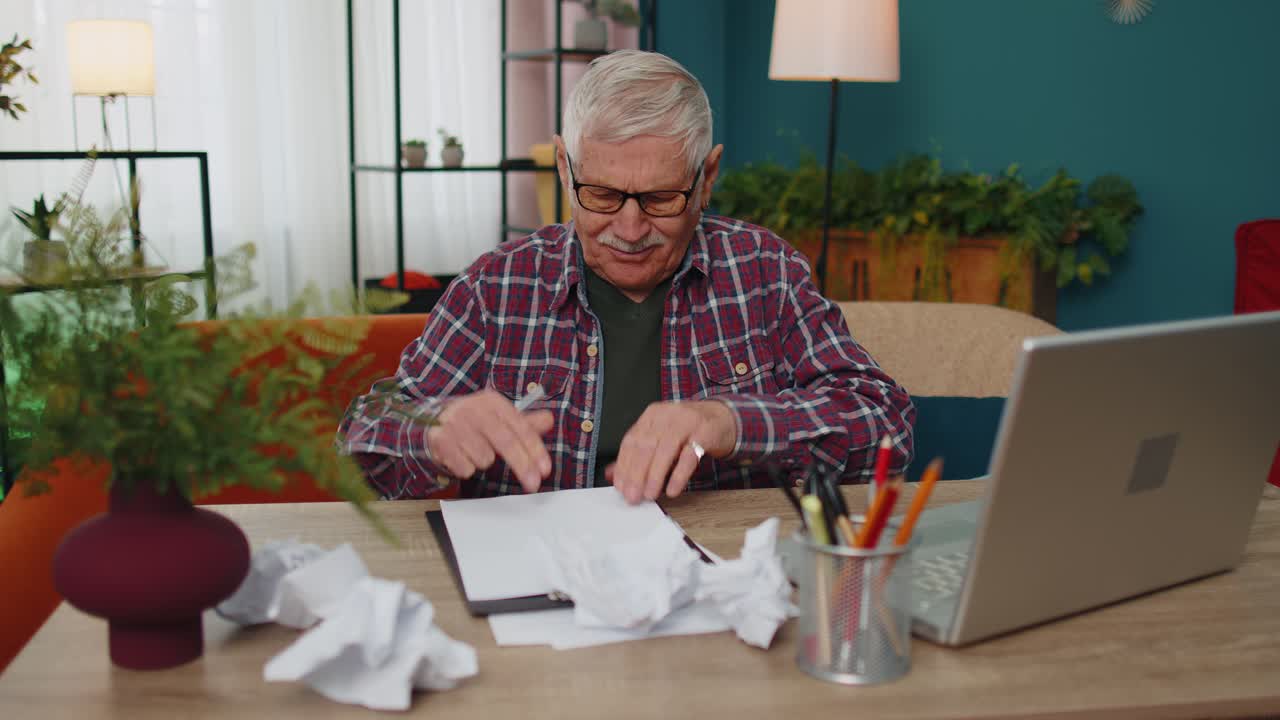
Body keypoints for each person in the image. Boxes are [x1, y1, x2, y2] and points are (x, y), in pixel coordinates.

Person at [338, 50, 914, 503]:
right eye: (603, 195)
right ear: (564, 168)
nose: (631, 229)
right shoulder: (495, 288)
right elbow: (362, 442)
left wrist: (730, 421)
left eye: (662, 198)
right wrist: (432, 430)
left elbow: (885, 425)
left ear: (706, 177)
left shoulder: (765, 273)